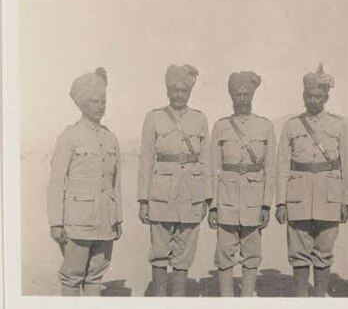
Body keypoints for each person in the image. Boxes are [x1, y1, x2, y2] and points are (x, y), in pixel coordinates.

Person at [275, 63, 348, 297]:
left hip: (329, 198)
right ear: (303, 95)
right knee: (298, 253)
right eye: (309, 95)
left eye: (318, 96)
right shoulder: (291, 125)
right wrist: (281, 202)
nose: (313, 100)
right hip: (297, 198)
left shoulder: (339, 125)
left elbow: (347, 165)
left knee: (324, 252)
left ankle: (319, 297)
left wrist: (345, 202)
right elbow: (281, 165)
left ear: (326, 97)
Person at [47, 67, 123, 296]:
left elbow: (115, 184)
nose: (100, 106)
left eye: (103, 101)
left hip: (105, 224)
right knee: (72, 277)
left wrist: (117, 218)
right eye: (94, 101)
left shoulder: (110, 138)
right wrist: (56, 223)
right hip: (77, 223)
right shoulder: (69, 137)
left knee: (95, 277)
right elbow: (56, 182)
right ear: (81, 104)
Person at [137, 64, 211, 297]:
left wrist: (207, 198)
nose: (179, 95)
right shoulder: (154, 118)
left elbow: (206, 161)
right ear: (167, 91)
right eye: (174, 90)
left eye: (184, 91)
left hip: (191, 195)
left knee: (184, 254)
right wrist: (143, 200)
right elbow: (146, 161)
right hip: (161, 195)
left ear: (190, 92)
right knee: (159, 251)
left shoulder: (200, 119)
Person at [207, 71, 276, 297]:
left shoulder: (265, 126)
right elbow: (213, 168)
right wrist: (214, 206)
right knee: (225, 255)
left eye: (246, 94)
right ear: (231, 96)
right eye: (238, 94)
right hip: (226, 201)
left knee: (252, 254)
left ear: (252, 96)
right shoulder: (220, 127)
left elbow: (270, 170)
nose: (242, 99)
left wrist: (266, 205)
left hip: (254, 201)